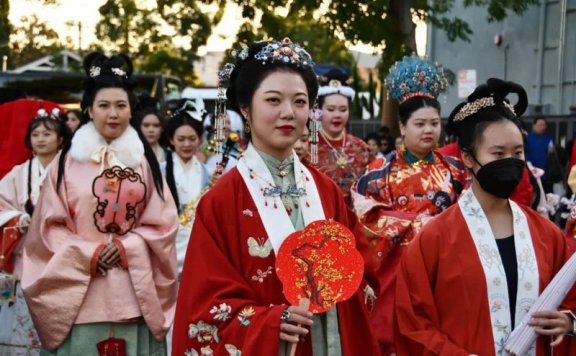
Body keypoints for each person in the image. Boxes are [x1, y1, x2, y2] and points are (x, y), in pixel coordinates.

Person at [172, 38, 380, 355]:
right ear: (245, 108)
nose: (288, 113)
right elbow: (205, 304)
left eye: (299, 102)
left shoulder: (326, 191)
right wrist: (269, 321)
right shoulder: (222, 200)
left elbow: (361, 270)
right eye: (273, 100)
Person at [395, 78, 576, 355]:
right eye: (498, 153)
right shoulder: (435, 239)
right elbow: (413, 324)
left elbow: (570, 299)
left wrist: (569, 322)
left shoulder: (547, 235)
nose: (511, 161)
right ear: (468, 158)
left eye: (517, 152)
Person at [21, 52, 179, 354]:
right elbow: (47, 227)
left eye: (121, 105)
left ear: (131, 110)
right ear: (89, 110)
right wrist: (88, 253)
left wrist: (126, 248)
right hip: (78, 298)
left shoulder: (145, 164)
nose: (113, 114)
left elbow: (164, 224)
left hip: (133, 294)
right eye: (103, 105)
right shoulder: (66, 163)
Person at [351, 54, 468, 354]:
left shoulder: (456, 170)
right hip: (398, 269)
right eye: (419, 124)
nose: (428, 130)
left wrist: (440, 231)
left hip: (446, 266)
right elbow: (367, 215)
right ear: (402, 127)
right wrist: (417, 225)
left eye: (434, 123)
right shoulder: (380, 170)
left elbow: (470, 213)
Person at [0, 109, 69, 355]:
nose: (40, 139)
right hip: (24, 252)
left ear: (61, 139)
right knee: (21, 320)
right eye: (35, 134)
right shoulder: (18, 173)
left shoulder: (71, 171)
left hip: (60, 254)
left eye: (47, 134)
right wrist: (18, 219)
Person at [162, 100, 218, 276]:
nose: (187, 144)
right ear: (171, 140)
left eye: (192, 139)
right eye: (181, 139)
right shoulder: (161, 170)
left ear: (200, 140)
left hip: (198, 241)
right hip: (168, 240)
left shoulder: (208, 174)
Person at [316, 68, 372, 205]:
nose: (337, 115)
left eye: (343, 110)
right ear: (319, 110)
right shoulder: (307, 146)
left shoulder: (361, 147)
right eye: (330, 109)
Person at [525, 117, 555, 192]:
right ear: (534, 126)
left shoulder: (549, 138)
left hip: (545, 172)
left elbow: (552, 154)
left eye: (543, 125)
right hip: (532, 171)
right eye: (539, 125)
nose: (542, 127)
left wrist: (553, 151)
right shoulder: (528, 138)